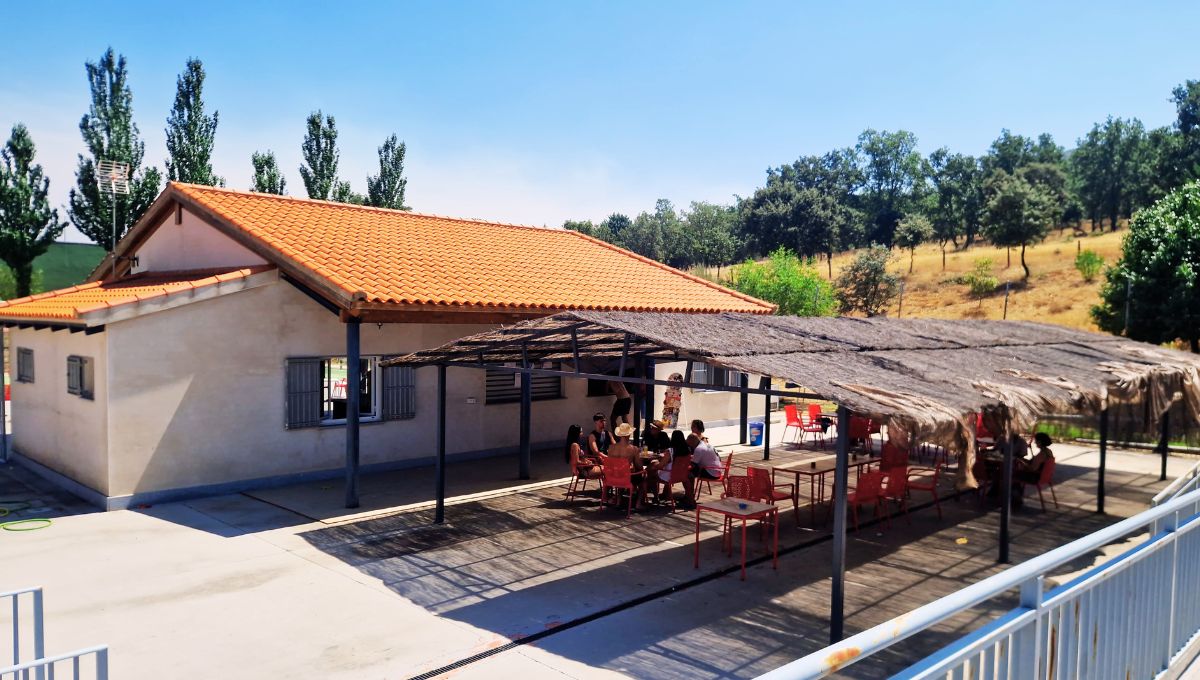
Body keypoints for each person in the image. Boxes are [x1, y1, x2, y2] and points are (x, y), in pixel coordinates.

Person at [649, 430, 694, 507]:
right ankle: (666, 494)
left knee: (651, 474)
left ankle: (656, 497)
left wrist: (654, 463)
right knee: (664, 471)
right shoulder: (687, 450)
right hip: (682, 474)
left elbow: (661, 466)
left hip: (670, 475)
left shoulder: (671, 451)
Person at [607, 422, 645, 509]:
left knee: (622, 472)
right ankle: (638, 503)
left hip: (612, 477)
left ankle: (619, 501)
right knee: (643, 480)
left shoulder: (611, 448)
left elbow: (610, 464)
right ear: (628, 435)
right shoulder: (633, 449)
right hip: (626, 477)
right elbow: (639, 467)